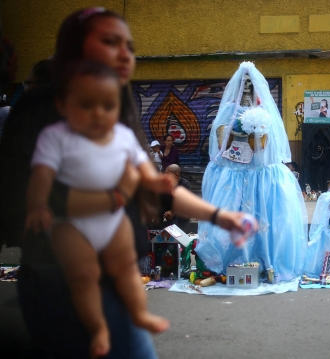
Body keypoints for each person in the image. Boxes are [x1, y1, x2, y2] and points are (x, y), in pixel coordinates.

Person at [0, 8, 250, 358]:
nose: (124, 54)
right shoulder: (48, 113)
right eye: (109, 42)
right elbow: (33, 203)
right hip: (65, 289)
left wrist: (219, 215)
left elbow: (159, 190)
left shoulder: (113, 114)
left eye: (128, 45)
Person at [26, 60, 173, 358]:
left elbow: (142, 164)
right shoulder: (55, 137)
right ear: (63, 105)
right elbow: (42, 174)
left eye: (107, 106)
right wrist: (38, 203)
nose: (98, 113)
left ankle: (139, 312)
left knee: (126, 265)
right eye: (86, 105)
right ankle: (98, 328)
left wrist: (154, 179)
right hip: (71, 223)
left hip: (112, 219)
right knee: (85, 274)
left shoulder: (123, 136)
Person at [195, 62, 307, 284]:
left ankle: (265, 264)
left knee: (263, 220)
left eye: (250, 83)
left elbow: (263, 149)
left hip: (258, 173)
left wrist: (255, 131)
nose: (246, 87)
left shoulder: (265, 113)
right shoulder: (228, 111)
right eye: (243, 82)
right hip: (234, 173)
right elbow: (221, 144)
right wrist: (235, 130)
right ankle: (224, 265)